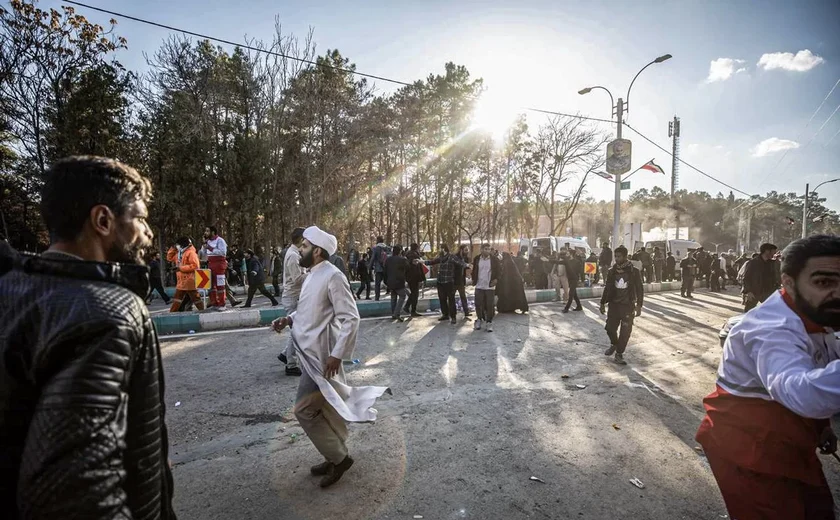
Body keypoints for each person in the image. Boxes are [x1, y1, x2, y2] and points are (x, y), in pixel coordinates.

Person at [0, 156, 175, 518]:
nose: (149, 233)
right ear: (103, 220)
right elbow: (77, 493)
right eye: (140, 219)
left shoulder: (11, 288)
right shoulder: (109, 313)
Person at [696, 235, 840, 519]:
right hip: (750, 452)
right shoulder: (771, 329)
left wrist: (821, 426)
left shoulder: (815, 315)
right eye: (824, 282)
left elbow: (818, 365)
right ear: (788, 282)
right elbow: (799, 390)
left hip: (791, 440)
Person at [271, 226, 390, 488]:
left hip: (323, 358)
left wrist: (337, 355)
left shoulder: (333, 276)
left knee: (303, 410)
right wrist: (288, 319)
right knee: (325, 408)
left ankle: (339, 458)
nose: (298, 249)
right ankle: (333, 454)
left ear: (316, 250)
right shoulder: (312, 275)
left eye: (303, 246)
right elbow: (308, 312)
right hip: (310, 354)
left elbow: (351, 318)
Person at [599, 245, 644, 365]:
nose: (617, 259)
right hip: (614, 305)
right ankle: (614, 343)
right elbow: (607, 288)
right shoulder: (612, 271)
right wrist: (602, 302)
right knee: (609, 328)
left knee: (625, 332)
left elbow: (639, 289)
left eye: (619, 256)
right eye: (616, 256)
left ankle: (619, 354)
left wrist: (639, 305)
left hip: (627, 306)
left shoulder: (634, 271)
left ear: (625, 256)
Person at [279, 227, 307, 376]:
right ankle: (291, 364)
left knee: (296, 329)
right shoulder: (293, 256)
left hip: (294, 296)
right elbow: (297, 279)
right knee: (296, 331)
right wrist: (313, 273)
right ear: (301, 239)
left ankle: (285, 354)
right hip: (292, 296)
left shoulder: (295, 254)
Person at [426, 245, 468, 324]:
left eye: (440, 249)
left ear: (443, 249)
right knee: (442, 299)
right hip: (440, 282)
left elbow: (460, 262)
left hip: (449, 282)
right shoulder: (441, 258)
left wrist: (468, 265)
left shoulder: (452, 257)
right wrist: (421, 261)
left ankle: (453, 317)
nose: (439, 250)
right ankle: (445, 314)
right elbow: (432, 262)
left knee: (451, 300)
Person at [168, 237, 205, 312]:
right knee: (178, 299)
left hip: (189, 280)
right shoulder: (180, 253)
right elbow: (169, 258)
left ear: (182, 245)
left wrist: (180, 268)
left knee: (195, 298)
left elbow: (195, 266)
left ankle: (203, 311)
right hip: (182, 281)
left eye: (177, 245)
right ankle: (172, 313)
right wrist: (173, 248)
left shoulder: (191, 253)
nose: (177, 246)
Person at [472, 242, 501, 332]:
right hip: (479, 285)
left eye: (489, 249)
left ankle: (489, 322)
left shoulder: (494, 259)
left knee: (490, 305)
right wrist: (473, 278)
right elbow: (474, 270)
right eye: (485, 249)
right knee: (478, 304)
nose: (487, 251)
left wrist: (496, 279)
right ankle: (479, 320)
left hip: (489, 286)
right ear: (481, 250)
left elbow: (500, 271)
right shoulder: (477, 259)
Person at [742, 243, 779, 312]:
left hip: (768, 292)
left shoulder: (772, 263)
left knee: (770, 312)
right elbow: (746, 278)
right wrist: (748, 291)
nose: (774, 254)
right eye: (773, 252)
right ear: (767, 251)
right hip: (754, 292)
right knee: (748, 313)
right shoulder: (753, 262)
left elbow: (775, 277)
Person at [203, 225, 229, 308]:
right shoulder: (207, 242)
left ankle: (222, 303)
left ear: (213, 232)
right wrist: (204, 246)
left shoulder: (220, 240)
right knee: (210, 285)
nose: (205, 233)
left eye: (207, 231)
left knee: (220, 284)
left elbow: (222, 252)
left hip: (219, 264)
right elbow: (204, 254)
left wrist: (210, 248)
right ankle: (214, 302)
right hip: (210, 264)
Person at [384, 244, 409, 321]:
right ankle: (396, 313)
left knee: (393, 297)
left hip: (390, 282)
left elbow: (385, 271)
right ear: (400, 251)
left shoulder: (388, 260)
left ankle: (393, 314)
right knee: (402, 296)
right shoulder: (402, 259)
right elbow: (408, 268)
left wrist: (386, 281)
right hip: (399, 282)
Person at [404, 243, 425, 317]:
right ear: (416, 248)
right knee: (415, 294)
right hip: (415, 277)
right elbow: (418, 268)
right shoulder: (415, 256)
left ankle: (408, 307)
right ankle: (412, 310)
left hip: (409, 277)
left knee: (413, 293)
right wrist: (421, 278)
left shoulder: (407, 255)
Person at [454, 244, 472, 320]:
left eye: (467, 250)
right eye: (465, 250)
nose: (467, 251)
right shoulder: (455, 257)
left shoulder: (466, 258)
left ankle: (466, 312)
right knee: (451, 297)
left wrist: (468, 275)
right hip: (454, 280)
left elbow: (466, 268)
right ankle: (451, 313)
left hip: (461, 280)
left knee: (463, 296)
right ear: (461, 250)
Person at [371, 236, 388, 301]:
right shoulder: (387, 248)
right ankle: (394, 294)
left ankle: (377, 297)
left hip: (378, 269)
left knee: (377, 284)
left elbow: (372, 258)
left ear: (378, 240)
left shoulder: (375, 248)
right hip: (386, 268)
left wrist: (369, 267)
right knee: (388, 282)